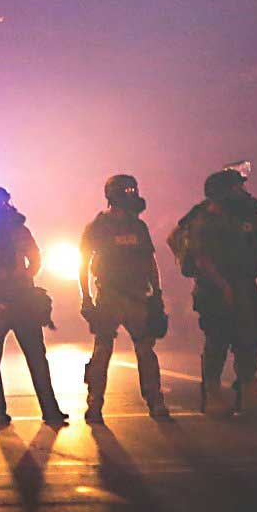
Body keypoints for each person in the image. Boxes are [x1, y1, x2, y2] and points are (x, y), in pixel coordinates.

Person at [168, 167, 257, 416]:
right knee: (217, 341)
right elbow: (201, 256)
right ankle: (213, 396)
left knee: (248, 339)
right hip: (213, 288)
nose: (242, 191)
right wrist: (222, 285)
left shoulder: (241, 216)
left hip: (242, 284)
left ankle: (248, 393)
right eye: (237, 187)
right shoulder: (204, 219)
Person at [0, 185, 69, 428]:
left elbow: (35, 258)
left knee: (37, 356)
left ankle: (50, 410)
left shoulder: (18, 229)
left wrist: (23, 278)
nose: (4, 206)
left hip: (21, 298)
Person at [79, 173, 170, 424]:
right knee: (103, 350)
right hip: (110, 295)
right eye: (128, 191)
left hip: (136, 295)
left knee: (144, 350)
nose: (133, 196)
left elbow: (149, 261)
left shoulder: (137, 226)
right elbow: (83, 263)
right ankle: (95, 403)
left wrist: (157, 294)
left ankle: (155, 401)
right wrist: (86, 297)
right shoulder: (98, 227)